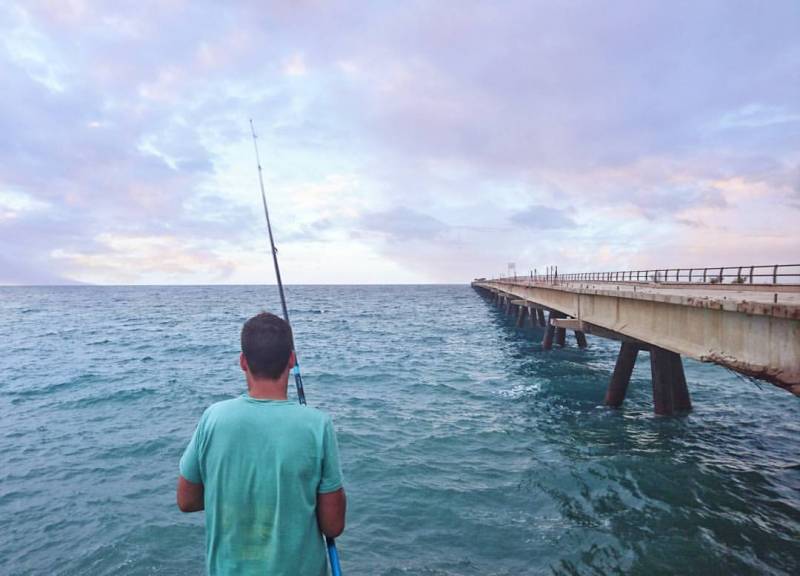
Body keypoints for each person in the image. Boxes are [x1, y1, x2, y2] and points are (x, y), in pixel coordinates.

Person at [177, 312, 346, 575]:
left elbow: (186, 500)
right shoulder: (317, 425)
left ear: (243, 362)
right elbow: (332, 526)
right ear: (291, 360)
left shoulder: (213, 418)